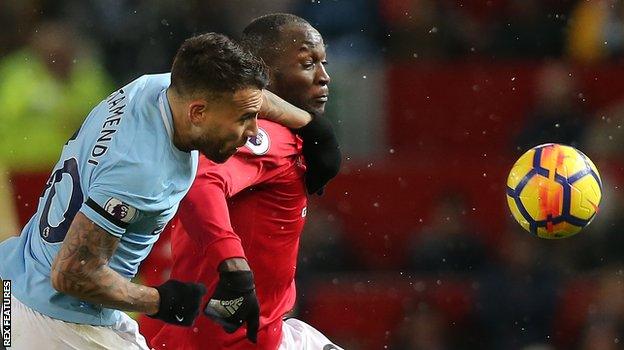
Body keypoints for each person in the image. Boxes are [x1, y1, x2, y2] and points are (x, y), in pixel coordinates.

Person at [0, 32, 316, 349]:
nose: (253, 132)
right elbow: (71, 274)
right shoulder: (141, 171)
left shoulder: (155, 87)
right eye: (244, 119)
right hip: (55, 323)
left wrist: (311, 126)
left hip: (14, 279)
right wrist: (163, 302)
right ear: (198, 112)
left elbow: (247, 96)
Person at [149, 14, 343, 349]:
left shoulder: (283, 133)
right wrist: (234, 264)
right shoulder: (265, 135)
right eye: (307, 63)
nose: (324, 77)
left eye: (323, 63)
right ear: (264, 72)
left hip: (260, 335)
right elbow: (200, 182)